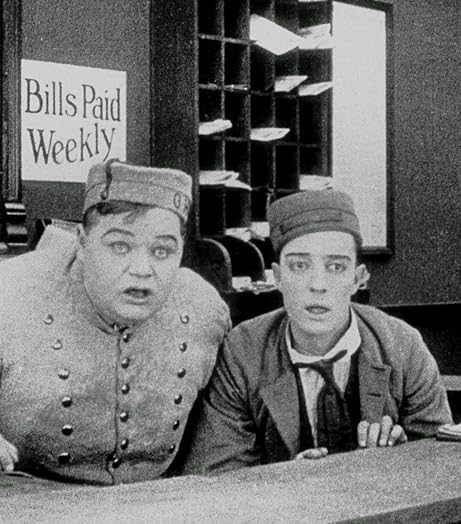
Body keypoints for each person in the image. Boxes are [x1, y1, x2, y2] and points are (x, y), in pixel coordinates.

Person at [182, 189, 452, 474]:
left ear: (357, 279)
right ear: (279, 277)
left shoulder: (402, 345)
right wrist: (289, 481)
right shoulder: (242, 353)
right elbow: (219, 476)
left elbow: (442, 463)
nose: (318, 284)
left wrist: (399, 462)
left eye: (336, 267)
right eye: (300, 266)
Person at [0, 159, 230, 484]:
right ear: (82, 242)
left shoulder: (202, 308)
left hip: (160, 501)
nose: (142, 269)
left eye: (162, 251)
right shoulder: (10, 293)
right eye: (120, 246)